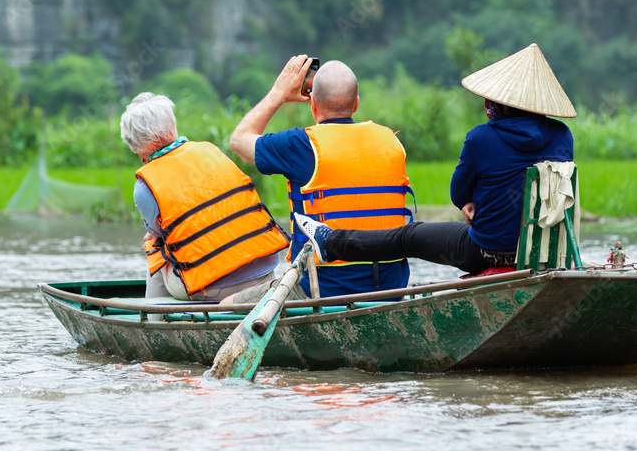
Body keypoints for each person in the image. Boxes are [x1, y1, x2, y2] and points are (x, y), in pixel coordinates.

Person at [293, 43, 575, 275]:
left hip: (487, 251)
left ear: (497, 102)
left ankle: (330, 243)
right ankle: (332, 242)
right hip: (545, 251)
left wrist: (469, 203)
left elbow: (458, 194)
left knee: (409, 235)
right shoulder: (563, 136)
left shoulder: (481, 138)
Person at [227, 55, 412, 302]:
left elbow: (238, 141)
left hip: (321, 288)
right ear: (356, 104)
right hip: (390, 286)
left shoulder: (302, 145)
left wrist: (279, 94)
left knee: (226, 304)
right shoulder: (391, 141)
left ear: (312, 104)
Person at [119, 92, 288, 302]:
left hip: (212, 288)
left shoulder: (145, 186)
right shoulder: (211, 150)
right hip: (265, 272)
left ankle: (154, 323)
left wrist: (156, 236)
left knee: (155, 249)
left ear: (136, 146)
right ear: (172, 125)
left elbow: (156, 233)